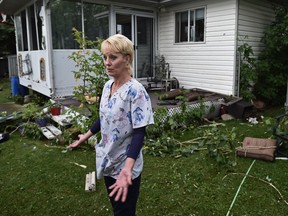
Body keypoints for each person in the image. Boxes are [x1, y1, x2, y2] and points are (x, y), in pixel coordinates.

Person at [69, 34, 154, 216]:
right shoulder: (108, 86)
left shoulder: (136, 91)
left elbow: (139, 133)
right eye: (105, 57)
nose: (107, 62)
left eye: (113, 57)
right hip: (108, 159)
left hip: (125, 165)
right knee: (117, 208)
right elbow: (105, 117)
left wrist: (127, 169)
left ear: (127, 59)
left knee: (124, 212)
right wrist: (85, 136)